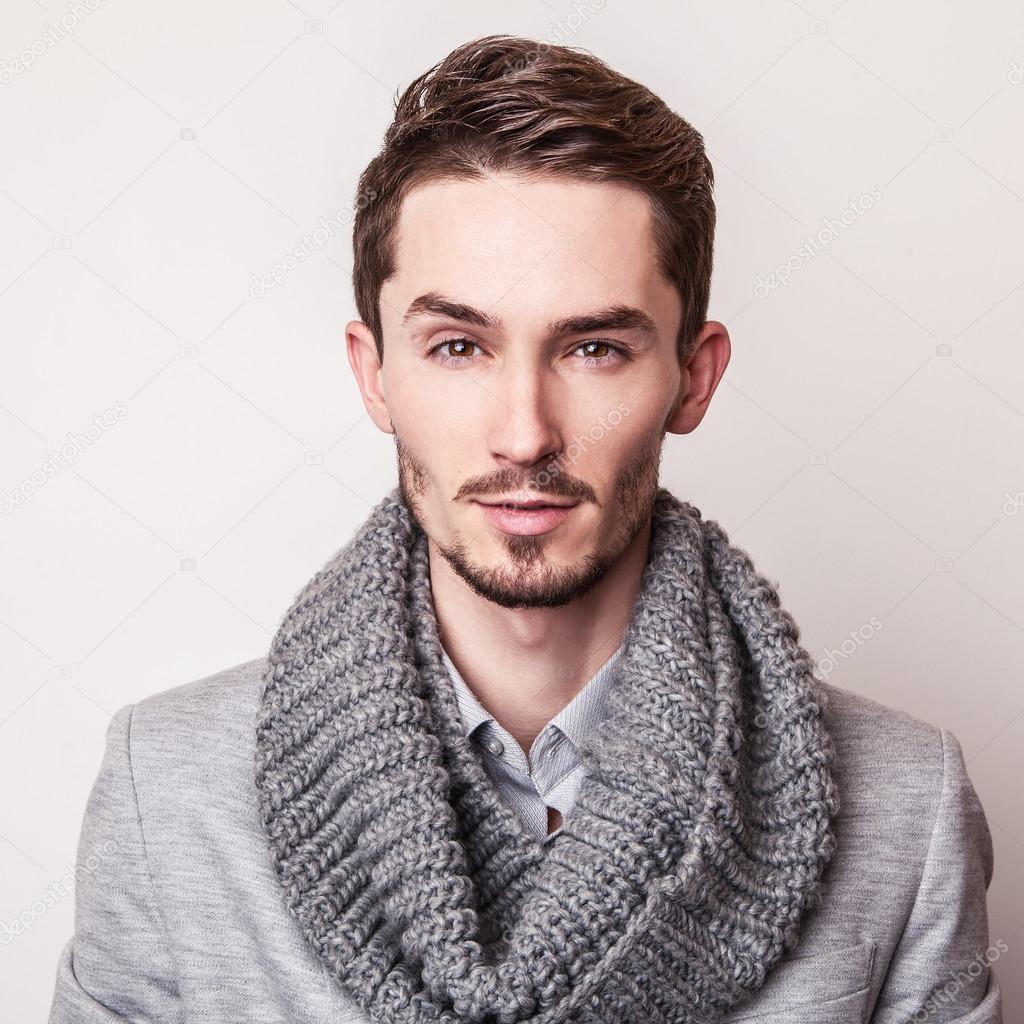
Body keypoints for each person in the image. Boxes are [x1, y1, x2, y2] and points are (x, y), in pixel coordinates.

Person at [49, 33, 1002, 1024]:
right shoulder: (167, 794)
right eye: (458, 345)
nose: (523, 432)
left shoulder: (905, 806)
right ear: (375, 372)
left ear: (693, 375)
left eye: (593, 347)